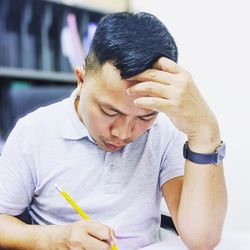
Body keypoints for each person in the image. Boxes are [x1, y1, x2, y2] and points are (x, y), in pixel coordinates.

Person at [0, 12, 227, 250]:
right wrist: (55, 238)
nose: (123, 132)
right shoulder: (34, 132)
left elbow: (202, 240)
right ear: (81, 80)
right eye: (109, 112)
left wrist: (204, 132)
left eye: (145, 116)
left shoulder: (164, 133)